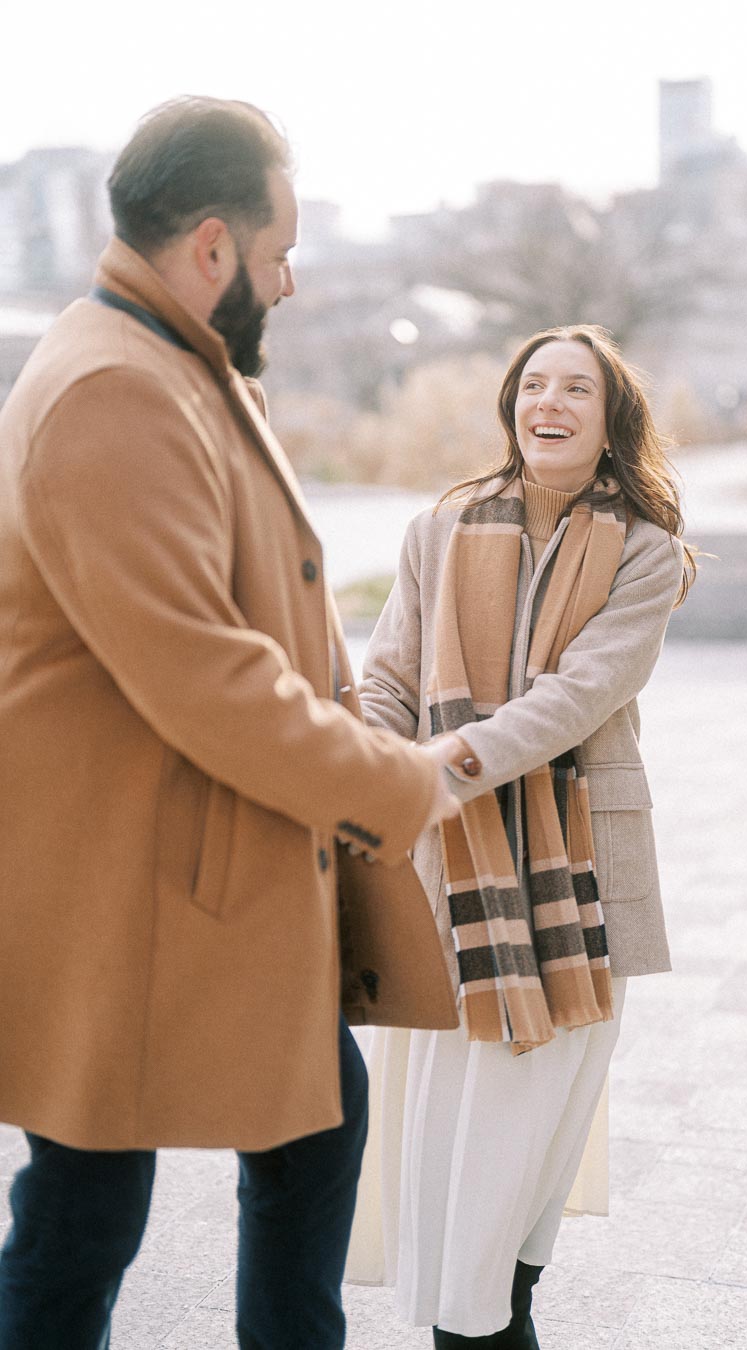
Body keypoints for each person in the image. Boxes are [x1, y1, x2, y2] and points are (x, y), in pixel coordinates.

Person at [0, 96, 460, 1350]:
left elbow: (259, 618)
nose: (292, 281)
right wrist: (396, 780)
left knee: (297, 1135)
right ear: (212, 246)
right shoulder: (114, 387)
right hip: (146, 890)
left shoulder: (168, 362)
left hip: (207, 873)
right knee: (85, 1212)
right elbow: (203, 672)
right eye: (278, 253)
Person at [355, 324, 695, 1346]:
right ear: (512, 406)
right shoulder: (440, 527)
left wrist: (441, 767)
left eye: (575, 390)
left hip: (580, 881)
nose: (548, 402)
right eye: (533, 385)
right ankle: (475, 1319)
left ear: (610, 420)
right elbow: (389, 682)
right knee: (458, 1137)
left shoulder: (647, 555)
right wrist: (365, 773)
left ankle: (494, 1312)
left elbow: (579, 697)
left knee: (528, 1148)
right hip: (445, 873)